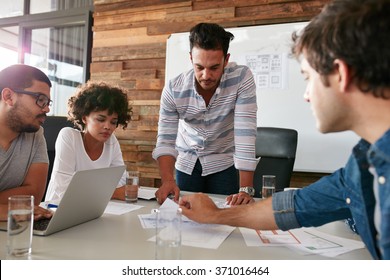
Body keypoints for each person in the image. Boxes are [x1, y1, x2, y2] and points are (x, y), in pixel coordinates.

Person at [179, 0, 390, 260]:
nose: (306, 95)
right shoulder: (363, 165)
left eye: (307, 77)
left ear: (340, 74)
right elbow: (296, 206)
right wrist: (216, 215)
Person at [153, 22, 259, 205]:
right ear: (190, 59)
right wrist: (168, 181)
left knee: (226, 218)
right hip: (187, 163)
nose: (206, 75)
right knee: (186, 219)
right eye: (199, 67)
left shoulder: (241, 78)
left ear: (226, 60)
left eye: (214, 68)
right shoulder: (173, 89)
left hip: (223, 163)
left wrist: (245, 190)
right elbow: (165, 140)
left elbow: (245, 134)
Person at [45, 80, 132, 202]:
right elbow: (64, 190)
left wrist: (92, 190)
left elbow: (122, 179)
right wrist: (113, 192)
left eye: (113, 122)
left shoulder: (111, 141)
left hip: (93, 207)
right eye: (101, 119)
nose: (108, 126)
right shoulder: (69, 136)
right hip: (56, 209)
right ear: (84, 118)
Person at [0, 64, 53, 220]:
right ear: (9, 96)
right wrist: (5, 210)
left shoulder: (35, 133)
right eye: (40, 99)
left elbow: (34, 197)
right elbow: (24, 204)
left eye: (48, 102)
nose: (47, 109)